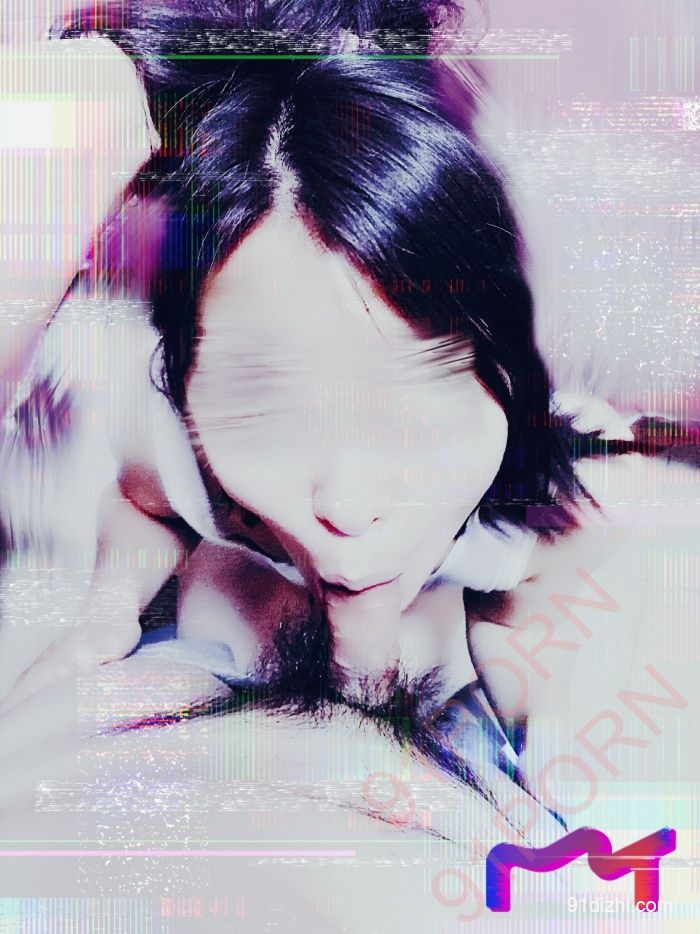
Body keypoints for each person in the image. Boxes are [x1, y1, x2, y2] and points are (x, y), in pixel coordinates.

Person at [0, 0, 697, 843]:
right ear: (186, 392)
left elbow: (540, 654)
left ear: (504, 369)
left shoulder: (534, 531)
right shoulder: (191, 464)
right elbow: (143, 499)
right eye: (271, 410)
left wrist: (535, 775)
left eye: (421, 386)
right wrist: (105, 616)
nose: (351, 499)